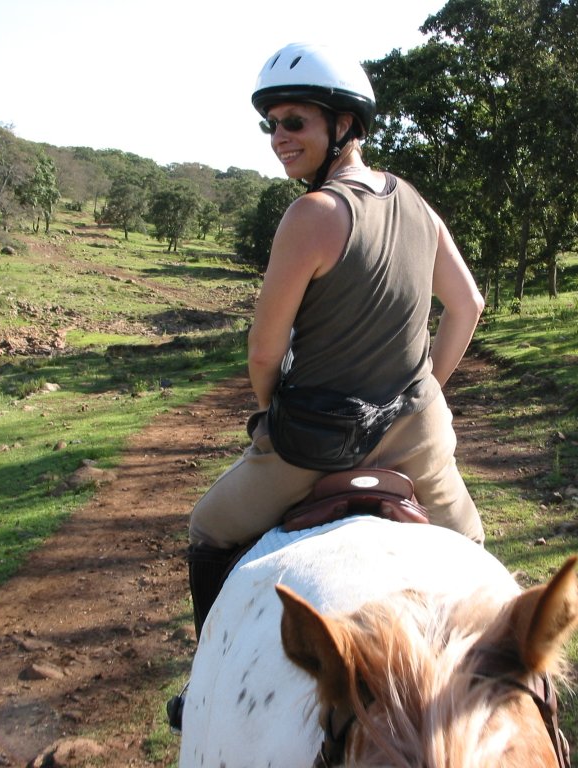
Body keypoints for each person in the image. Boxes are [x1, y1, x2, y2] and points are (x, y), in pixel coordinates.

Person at [184, 42, 486, 640]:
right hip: (418, 435)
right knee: (473, 549)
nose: (279, 136)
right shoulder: (415, 202)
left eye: (295, 121)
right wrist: (421, 393)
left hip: (315, 443)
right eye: (271, 125)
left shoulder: (311, 215)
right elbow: (468, 306)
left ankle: (202, 680)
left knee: (208, 528)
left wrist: (273, 412)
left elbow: (264, 352)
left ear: (343, 124)